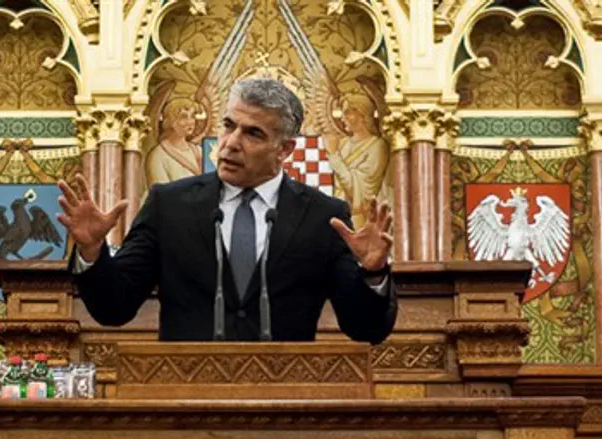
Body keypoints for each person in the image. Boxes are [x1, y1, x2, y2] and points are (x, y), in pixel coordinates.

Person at [56, 78, 397, 343]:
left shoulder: (324, 215)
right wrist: (92, 251)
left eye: (253, 133)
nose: (231, 143)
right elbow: (114, 307)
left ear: (285, 150)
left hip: (285, 405)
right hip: (185, 401)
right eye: (229, 125)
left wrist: (374, 273)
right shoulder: (169, 205)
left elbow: (366, 328)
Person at [323, 93, 391, 228]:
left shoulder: (376, 146)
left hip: (358, 222)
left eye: (348, 113)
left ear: (363, 116)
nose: (343, 118)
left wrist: (334, 155)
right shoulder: (342, 143)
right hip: (336, 217)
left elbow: (361, 192)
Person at [145, 98, 202, 186]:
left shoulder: (199, 151)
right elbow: (160, 194)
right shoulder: (158, 156)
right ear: (171, 121)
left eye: (192, 116)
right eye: (184, 117)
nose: (190, 122)